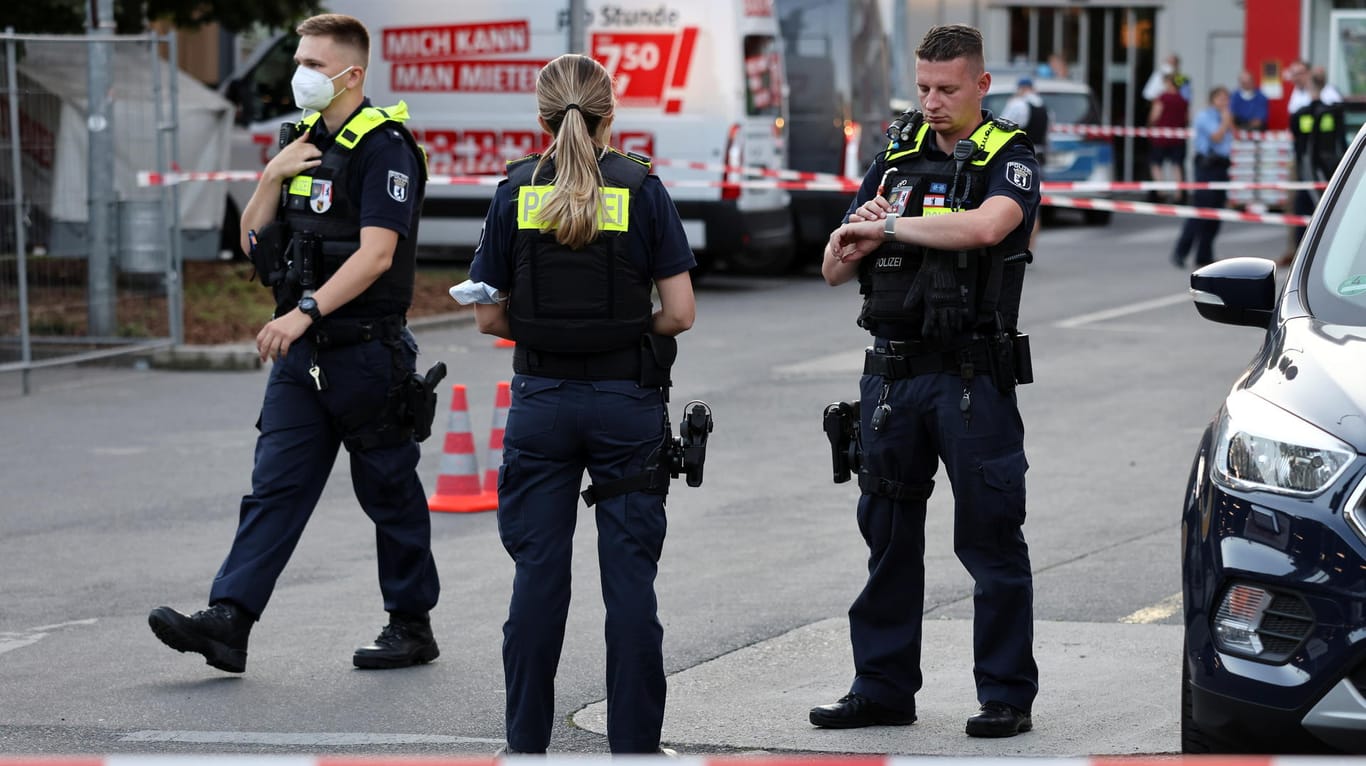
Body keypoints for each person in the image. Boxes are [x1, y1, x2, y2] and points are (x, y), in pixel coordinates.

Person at [147, 13, 441, 674]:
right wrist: (269, 177)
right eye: (300, 60)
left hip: (367, 352)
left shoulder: (386, 147)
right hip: (302, 358)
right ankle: (229, 621)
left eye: (313, 62)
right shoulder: (297, 141)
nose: (299, 72)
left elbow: (375, 256)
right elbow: (255, 242)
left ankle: (411, 623)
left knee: (388, 492)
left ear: (352, 74)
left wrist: (303, 312)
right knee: (274, 488)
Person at [809, 23, 1039, 739]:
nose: (933, 102)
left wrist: (895, 229)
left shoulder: (1011, 156)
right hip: (893, 377)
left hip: (971, 377)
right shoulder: (893, 162)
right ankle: (880, 688)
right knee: (887, 536)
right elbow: (834, 265)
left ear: (981, 85)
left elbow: (985, 228)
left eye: (947, 89)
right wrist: (857, 232)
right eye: (924, 89)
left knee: (991, 539)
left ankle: (1005, 696)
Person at [467, 53, 697, 754]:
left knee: (539, 576)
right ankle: (633, 746)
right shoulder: (642, 187)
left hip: (541, 403)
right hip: (627, 402)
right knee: (629, 582)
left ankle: (525, 742)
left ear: (541, 119)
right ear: (611, 114)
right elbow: (680, 313)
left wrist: (545, 333)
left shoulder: (515, 192)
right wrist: (626, 330)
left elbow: (486, 317)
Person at [1282, 68, 1348, 266]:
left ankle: (1301, 256)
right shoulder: (1333, 112)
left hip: (1307, 172)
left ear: (1310, 84)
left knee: (1303, 209)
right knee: (1330, 210)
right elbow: (1340, 140)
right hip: (1329, 170)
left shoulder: (1302, 113)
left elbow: (1296, 137)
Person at [1171, 86, 1234, 269]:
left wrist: (1228, 121)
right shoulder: (1205, 117)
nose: (1224, 103)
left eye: (1226, 99)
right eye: (1221, 99)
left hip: (1221, 166)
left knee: (1215, 214)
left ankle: (1204, 255)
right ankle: (1180, 251)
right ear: (1212, 100)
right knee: (1200, 212)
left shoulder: (1225, 118)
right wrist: (1226, 121)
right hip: (1207, 167)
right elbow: (1216, 137)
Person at [1000, 76, 1049, 250]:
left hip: (1021, 157)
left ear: (1020, 88)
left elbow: (1004, 127)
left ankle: (1017, 249)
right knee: (1034, 206)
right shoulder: (1043, 106)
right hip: (1039, 158)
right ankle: (1029, 249)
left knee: (1015, 202)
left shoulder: (1018, 104)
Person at [1147, 74, 1189, 202]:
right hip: (1178, 137)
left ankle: (1161, 191)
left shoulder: (1162, 98)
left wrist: (1149, 125)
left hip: (1161, 136)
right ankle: (1178, 194)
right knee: (1176, 165)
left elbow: (1155, 116)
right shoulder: (1183, 99)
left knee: (1156, 164)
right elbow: (1187, 118)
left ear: (1169, 83)